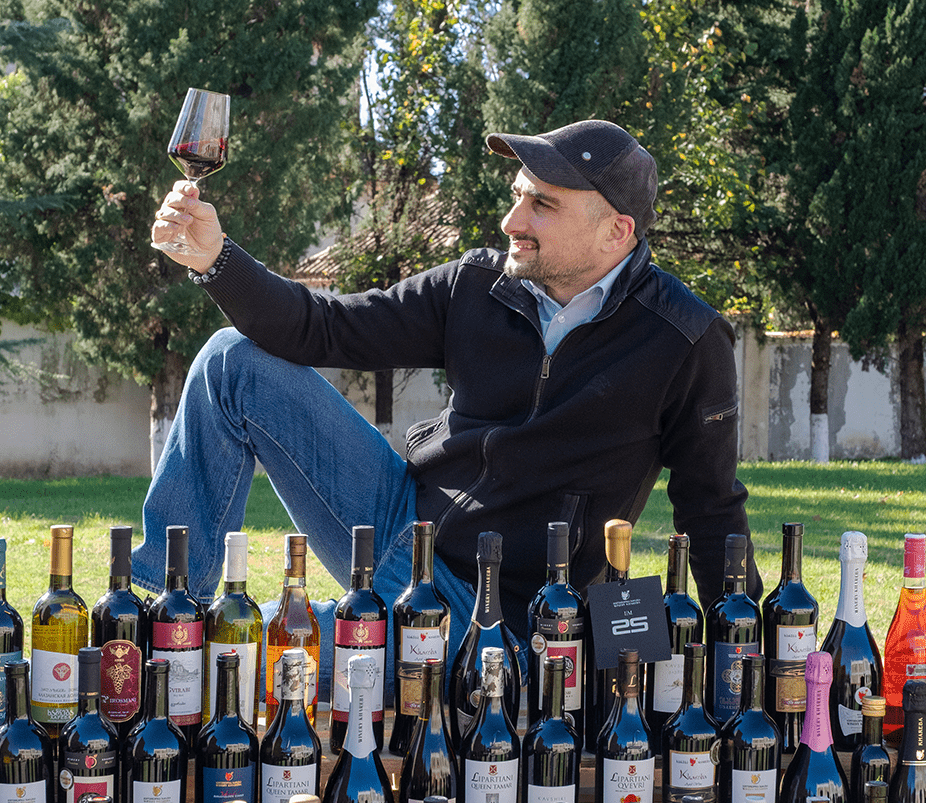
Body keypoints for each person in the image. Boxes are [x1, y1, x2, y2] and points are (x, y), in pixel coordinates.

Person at [132, 118, 756, 644]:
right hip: (399, 516)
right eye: (517, 195)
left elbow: (711, 509)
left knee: (261, 653)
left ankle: (221, 645)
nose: (512, 220)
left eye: (542, 205)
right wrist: (216, 259)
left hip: (494, 609)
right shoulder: (476, 286)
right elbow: (324, 328)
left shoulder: (684, 338)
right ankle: (163, 608)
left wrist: (750, 652)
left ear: (616, 230)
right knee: (231, 360)